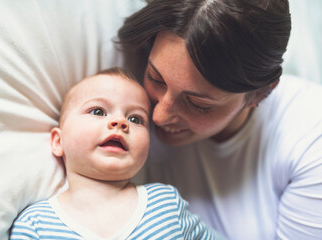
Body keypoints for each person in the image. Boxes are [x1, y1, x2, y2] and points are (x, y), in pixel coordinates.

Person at [118, 0, 322, 239]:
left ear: (261, 94)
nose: (158, 116)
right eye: (156, 78)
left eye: (198, 104)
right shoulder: (128, 100)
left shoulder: (310, 142)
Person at [10, 68, 225, 240]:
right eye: (98, 111)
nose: (120, 123)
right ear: (59, 141)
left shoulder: (166, 203)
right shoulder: (36, 224)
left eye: (135, 119)